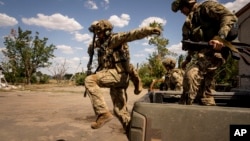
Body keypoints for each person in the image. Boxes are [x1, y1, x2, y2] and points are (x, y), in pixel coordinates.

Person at [84, 19, 161, 132]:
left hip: (118, 75)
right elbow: (93, 46)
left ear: (106, 31)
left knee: (90, 80)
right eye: (96, 33)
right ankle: (134, 134)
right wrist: (90, 48)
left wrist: (148, 30)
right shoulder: (101, 43)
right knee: (119, 111)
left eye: (99, 33)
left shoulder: (115, 39)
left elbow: (132, 34)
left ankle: (103, 113)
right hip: (115, 78)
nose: (97, 36)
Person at [171, 0, 238, 105]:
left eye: (181, 8)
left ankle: (185, 108)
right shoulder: (190, 21)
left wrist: (220, 38)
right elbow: (193, 45)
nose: (181, 12)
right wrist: (187, 59)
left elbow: (228, 16)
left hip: (217, 51)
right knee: (205, 90)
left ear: (187, 4)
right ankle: (206, 107)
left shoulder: (206, 8)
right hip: (204, 53)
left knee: (191, 75)